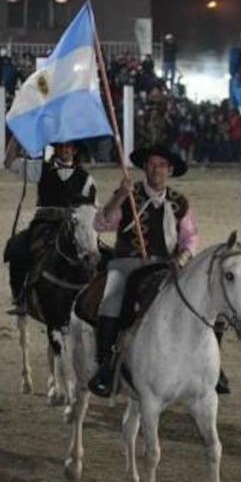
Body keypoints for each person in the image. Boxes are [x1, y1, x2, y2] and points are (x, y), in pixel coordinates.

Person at [87, 145, 199, 397]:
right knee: (111, 300)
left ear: (169, 170)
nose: (155, 169)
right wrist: (119, 197)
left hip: (165, 265)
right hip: (127, 263)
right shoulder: (129, 193)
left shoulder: (179, 201)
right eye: (151, 164)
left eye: (161, 165)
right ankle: (104, 365)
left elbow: (190, 238)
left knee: (197, 298)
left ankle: (205, 366)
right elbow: (100, 224)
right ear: (144, 168)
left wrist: (182, 258)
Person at [3, 136, 97, 315]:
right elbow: (10, 162)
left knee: (94, 254)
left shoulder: (87, 179)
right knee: (17, 247)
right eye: (61, 146)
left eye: (68, 146)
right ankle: (20, 297)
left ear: (75, 150)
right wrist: (17, 137)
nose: (64, 150)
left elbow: (91, 208)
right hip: (45, 224)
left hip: (74, 226)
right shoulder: (41, 169)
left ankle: (92, 296)